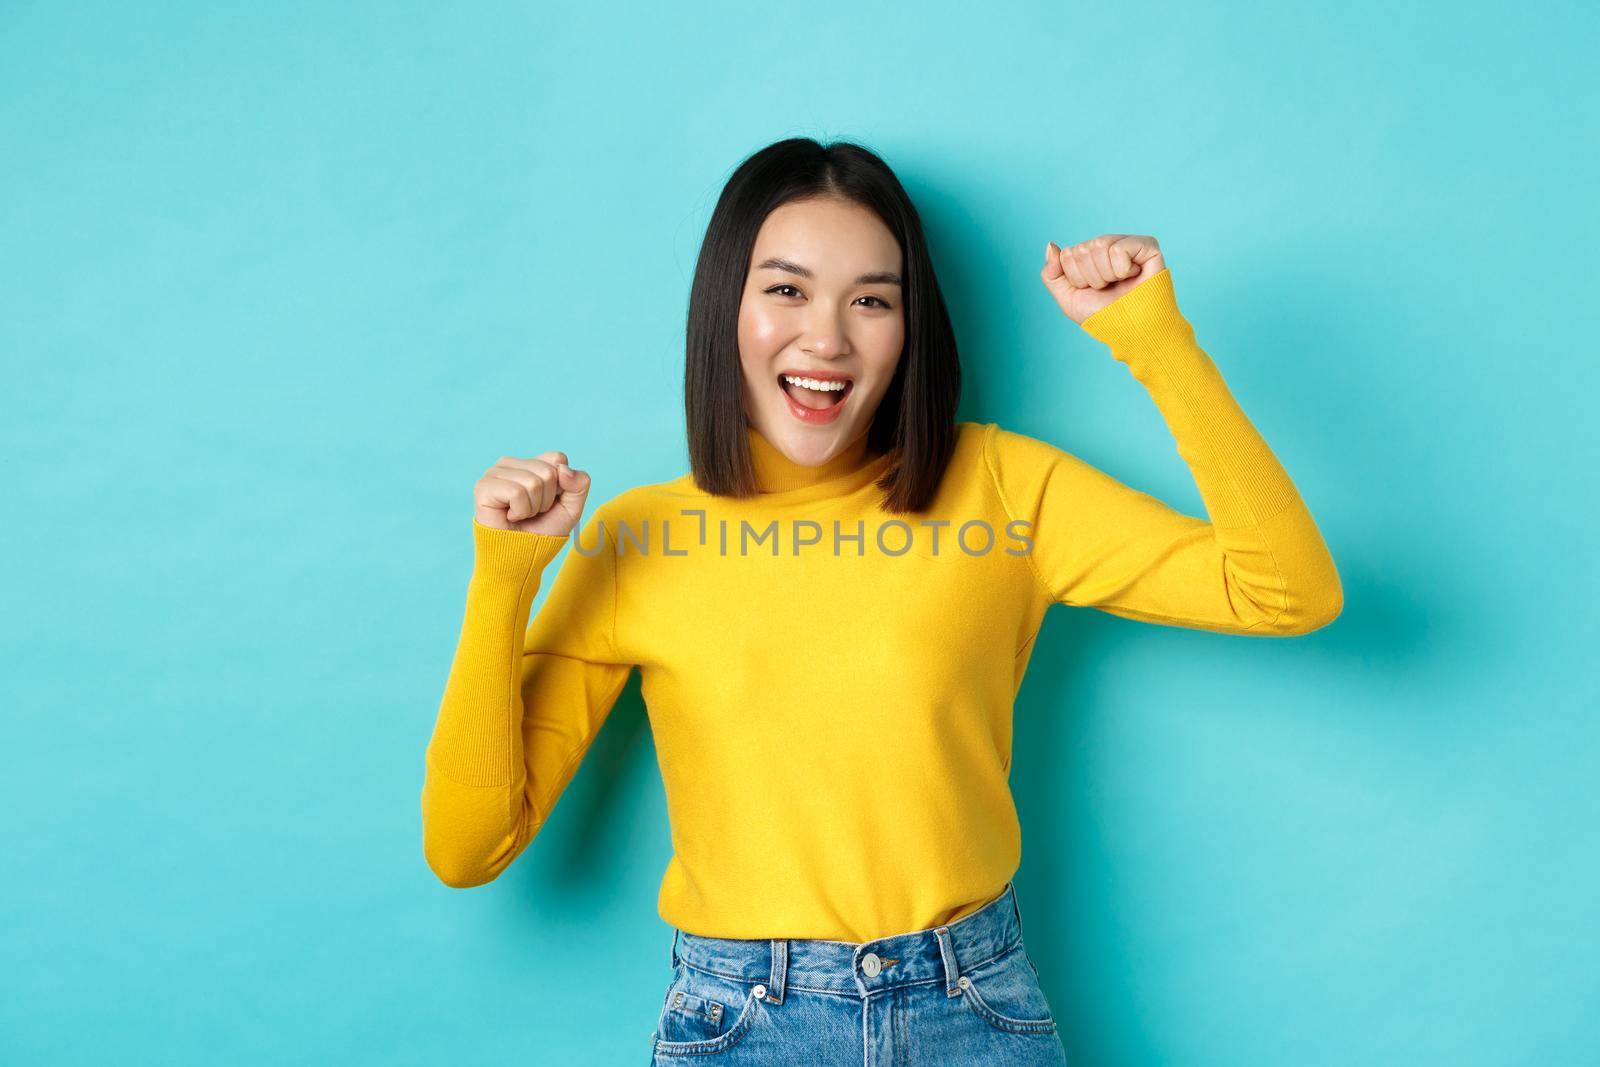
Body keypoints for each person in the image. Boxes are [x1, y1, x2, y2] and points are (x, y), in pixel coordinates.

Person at [420, 137, 1342, 1064]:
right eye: (785, 289)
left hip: (974, 1009)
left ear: (910, 329)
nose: (827, 337)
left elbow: (1286, 591)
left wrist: (1153, 340)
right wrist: (505, 578)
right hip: (742, 1023)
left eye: (871, 299)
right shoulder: (639, 537)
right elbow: (469, 847)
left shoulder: (1002, 487)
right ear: (724, 310)